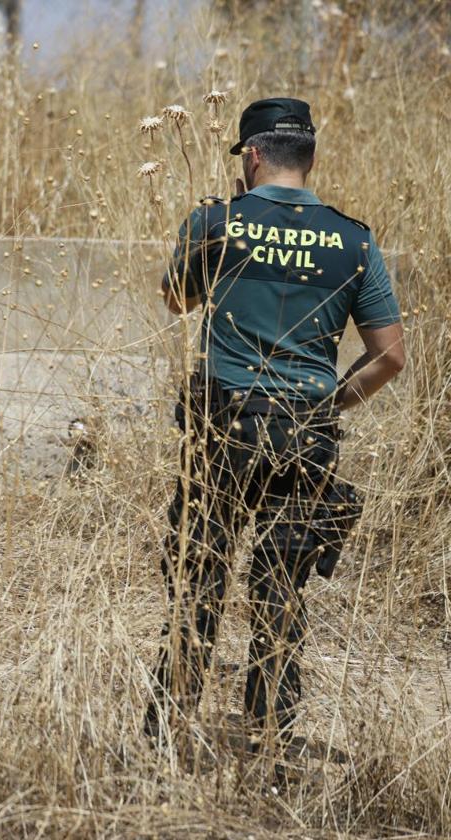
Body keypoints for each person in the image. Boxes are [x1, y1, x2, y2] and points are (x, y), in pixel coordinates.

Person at [145, 98, 405, 762]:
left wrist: (221, 223)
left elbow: (178, 299)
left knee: (201, 578)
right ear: (309, 158)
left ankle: (165, 738)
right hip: (307, 429)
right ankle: (269, 744)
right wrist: (329, 406)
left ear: (252, 157)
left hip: (224, 425)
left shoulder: (217, 222)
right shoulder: (353, 238)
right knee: (281, 590)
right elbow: (391, 357)